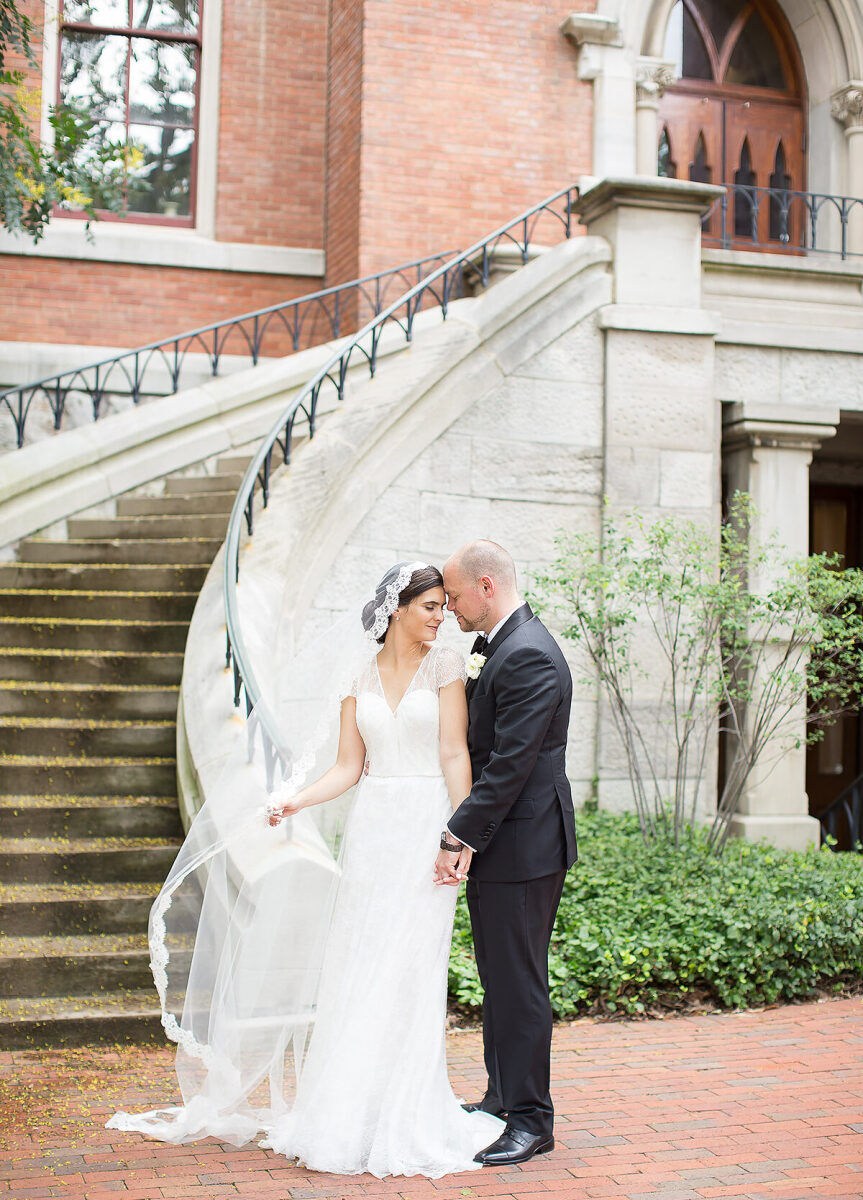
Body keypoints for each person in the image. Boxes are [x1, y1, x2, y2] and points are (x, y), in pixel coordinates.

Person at [108, 561, 504, 1178]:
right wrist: (295, 798)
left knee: (412, 967)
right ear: (397, 609)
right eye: (429, 606)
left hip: (428, 825)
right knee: (360, 961)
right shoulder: (357, 673)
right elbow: (349, 766)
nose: (440, 615)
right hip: (374, 832)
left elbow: (455, 751)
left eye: (441, 605)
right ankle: (347, 1112)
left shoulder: (447, 666)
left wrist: (462, 837)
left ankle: (407, 1112)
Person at [437, 540, 577, 1167]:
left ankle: (531, 1119)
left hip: (524, 846)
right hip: (506, 843)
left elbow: (510, 768)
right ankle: (500, 1097)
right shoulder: (500, 646)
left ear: (486, 585)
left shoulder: (530, 657)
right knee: (498, 976)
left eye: (456, 596)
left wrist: (455, 833)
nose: (451, 608)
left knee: (519, 984)